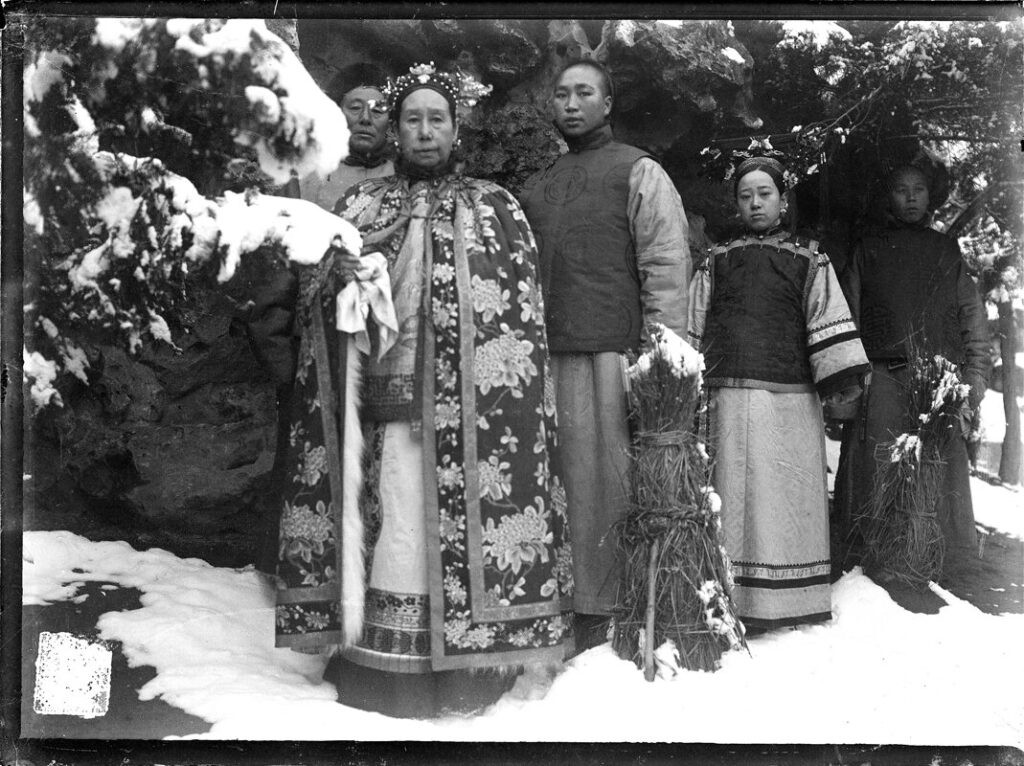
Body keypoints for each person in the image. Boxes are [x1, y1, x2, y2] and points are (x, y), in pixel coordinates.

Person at [273, 63, 573, 718]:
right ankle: (382, 665)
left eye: (437, 119)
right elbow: (317, 312)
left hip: (464, 416)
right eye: (413, 119)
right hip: (377, 409)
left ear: (456, 127)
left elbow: (517, 318)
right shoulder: (357, 207)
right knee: (392, 533)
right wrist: (345, 282)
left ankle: (467, 669)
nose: (425, 131)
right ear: (395, 128)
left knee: (441, 532)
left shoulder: (496, 210)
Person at [519, 60, 691, 652]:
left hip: (611, 359)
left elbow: (665, 265)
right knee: (557, 485)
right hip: (543, 361)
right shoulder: (537, 185)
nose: (571, 103)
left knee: (605, 486)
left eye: (584, 92)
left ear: (608, 102)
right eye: (562, 94)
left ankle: (608, 608)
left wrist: (661, 361)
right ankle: (557, 601)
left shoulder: (638, 171)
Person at [687, 156, 869, 632]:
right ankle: (725, 597)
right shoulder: (716, 261)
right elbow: (692, 326)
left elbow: (827, 322)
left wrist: (840, 385)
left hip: (787, 403)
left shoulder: (811, 259)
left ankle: (785, 604)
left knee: (781, 498)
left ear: (783, 200)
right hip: (725, 398)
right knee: (727, 493)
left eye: (765, 194)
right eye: (745, 196)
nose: (755, 203)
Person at [834, 162, 991, 585]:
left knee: (938, 467)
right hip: (882, 376)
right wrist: (852, 378)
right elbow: (848, 316)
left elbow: (970, 315)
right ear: (889, 196)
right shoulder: (868, 249)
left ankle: (941, 561)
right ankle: (870, 559)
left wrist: (972, 376)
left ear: (930, 195)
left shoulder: (946, 251)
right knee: (877, 464)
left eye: (918, 189)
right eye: (901, 190)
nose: (910, 198)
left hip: (936, 377)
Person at [296, 71, 394, 210]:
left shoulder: (401, 178)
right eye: (355, 108)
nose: (365, 118)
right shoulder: (313, 175)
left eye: (377, 110)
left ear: (390, 122)